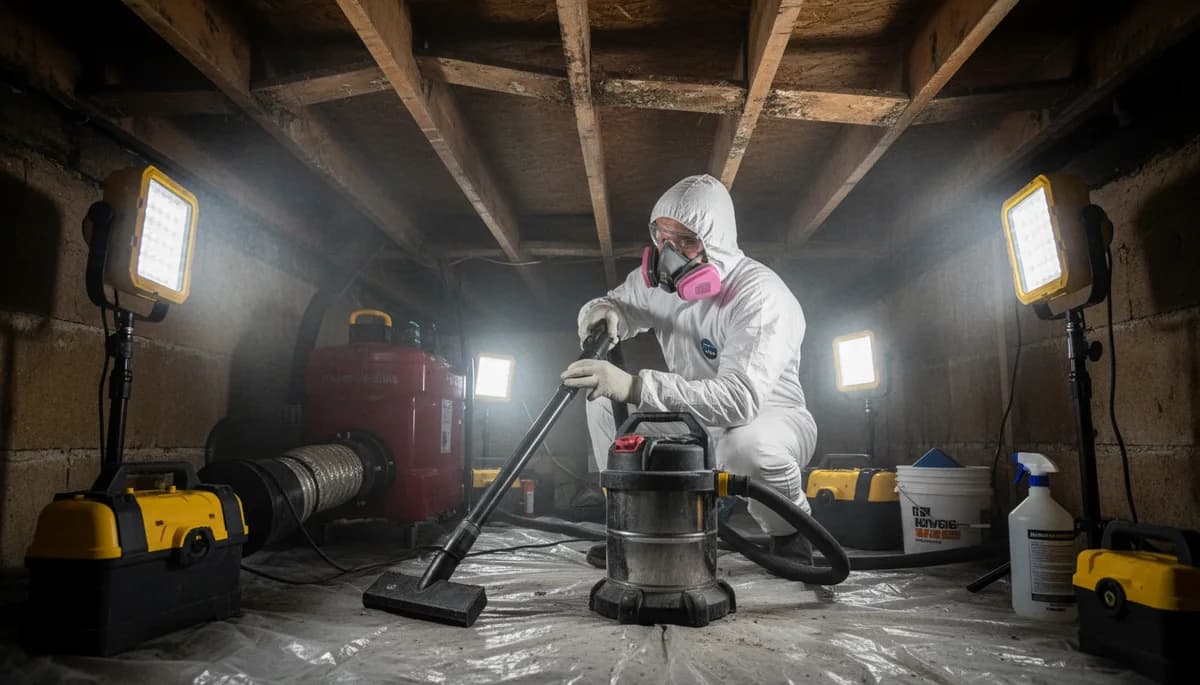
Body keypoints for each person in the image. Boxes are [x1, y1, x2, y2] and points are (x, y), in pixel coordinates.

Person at [561, 173, 818, 566]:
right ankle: (630, 524)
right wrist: (601, 312)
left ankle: (791, 536)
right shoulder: (659, 285)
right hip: (693, 415)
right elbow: (620, 304)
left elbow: (739, 400)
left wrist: (634, 387)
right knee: (602, 404)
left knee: (746, 448)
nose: (669, 253)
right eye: (663, 237)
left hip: (768, 418)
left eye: (685, 241)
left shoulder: (761, 296)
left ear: (715, 243)